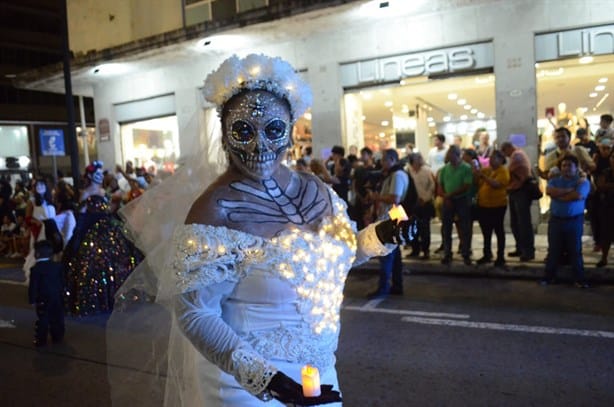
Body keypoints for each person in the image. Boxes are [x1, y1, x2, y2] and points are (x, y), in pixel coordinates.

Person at [108, 54, 412, 406]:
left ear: (290, 132)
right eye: (243, 131)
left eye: (272, 130)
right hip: (244, 388)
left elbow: (333, 260)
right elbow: (195, 313)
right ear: (224, 137)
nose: (259, 146)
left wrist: (380, 236)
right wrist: (265, 379)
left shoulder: (316, 190)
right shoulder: (214, 209)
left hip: (321, 375)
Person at [63, 161, 143, 316]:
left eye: (101, 174)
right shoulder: (86, 193)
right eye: (97, 174)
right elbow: (82, 213)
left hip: (107, 228)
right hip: (92, 229)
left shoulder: (102, 191)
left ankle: (115, 295)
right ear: (91, 176)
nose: (100, 176)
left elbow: (109, 208)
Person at [540, 155, 590, 288]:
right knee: (554, 250)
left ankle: (579, 279)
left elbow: (578, 196)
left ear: (576, 167)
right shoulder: (555, 180)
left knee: (575, 250)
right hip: (556, 220)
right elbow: (549, 191)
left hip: (574, 220)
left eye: (569, 165)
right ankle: (549, 277)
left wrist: (560, 195)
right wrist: (569, 190)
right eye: (564, 165)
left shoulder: (583, 181)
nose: (566, 168)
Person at [367, 148, 409, 298]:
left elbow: (394, 199)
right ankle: (397, 285)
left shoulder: (397, 175)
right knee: (394, 255)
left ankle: (383, 289)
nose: (381, 163)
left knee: (385, 254)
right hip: (395, 216)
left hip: (390, 218)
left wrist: (376, 197)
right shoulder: (397, 174)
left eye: (384, 159)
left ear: (392, 160)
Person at [438, 145, 473, 265]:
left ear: (457, 155)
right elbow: (440, 185)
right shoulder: (444, 169)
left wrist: (451, 195)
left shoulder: (466, 168)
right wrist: (445, 196)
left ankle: (466, 252)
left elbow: (467, 185)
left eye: (451, 155)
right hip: (448, 200)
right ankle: (447, 253)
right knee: (446, 227)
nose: (448, 157)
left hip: (461, 199)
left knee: (465, 228)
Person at [501, 141, 535, 262]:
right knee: (516, 223)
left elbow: (509, 173)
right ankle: (521, 248)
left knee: (523, 223)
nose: (505, 156)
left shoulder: (517, 155)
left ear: (508, 148)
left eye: (504, 152)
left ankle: (528, 251)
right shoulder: (518, 154)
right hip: (516, 191)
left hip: (520, 191)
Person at [475, 150, 510, 267]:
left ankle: (500, 256)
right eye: (490, 158)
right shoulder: (489, 170)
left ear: (501, 160)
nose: (490, 160)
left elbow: (496, 184)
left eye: (494, 158)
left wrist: (484, 177)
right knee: (486, 231)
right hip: (484, 205)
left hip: (497, 205)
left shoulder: (503, 171)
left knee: (498, 230)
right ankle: (487, 253)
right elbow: (477, 175)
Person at [28, 240, 65, 347]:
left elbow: (33, 286)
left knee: (43, 318)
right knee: (57, 317)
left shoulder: (35, 269)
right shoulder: (57, 266)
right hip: (57, 296)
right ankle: (57, 336)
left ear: (37, 254)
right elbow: (62, 281)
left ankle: (41, 339)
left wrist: (32, 299)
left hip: (42, 298)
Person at [407, 152, 435, 259]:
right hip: (413, 203)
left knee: (425, 228)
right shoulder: (409, 171)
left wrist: (425, 198)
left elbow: (432, 186)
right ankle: (415, 249)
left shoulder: (427, 171)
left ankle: (425, 250)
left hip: (425, 203)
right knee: (413, 227)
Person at [594, 149, 614, 267]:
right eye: (612, 157)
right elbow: (600, 186)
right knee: (605, 234)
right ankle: (604, 258)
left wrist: (608, 186)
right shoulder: (606, 172)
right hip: (607, 207)